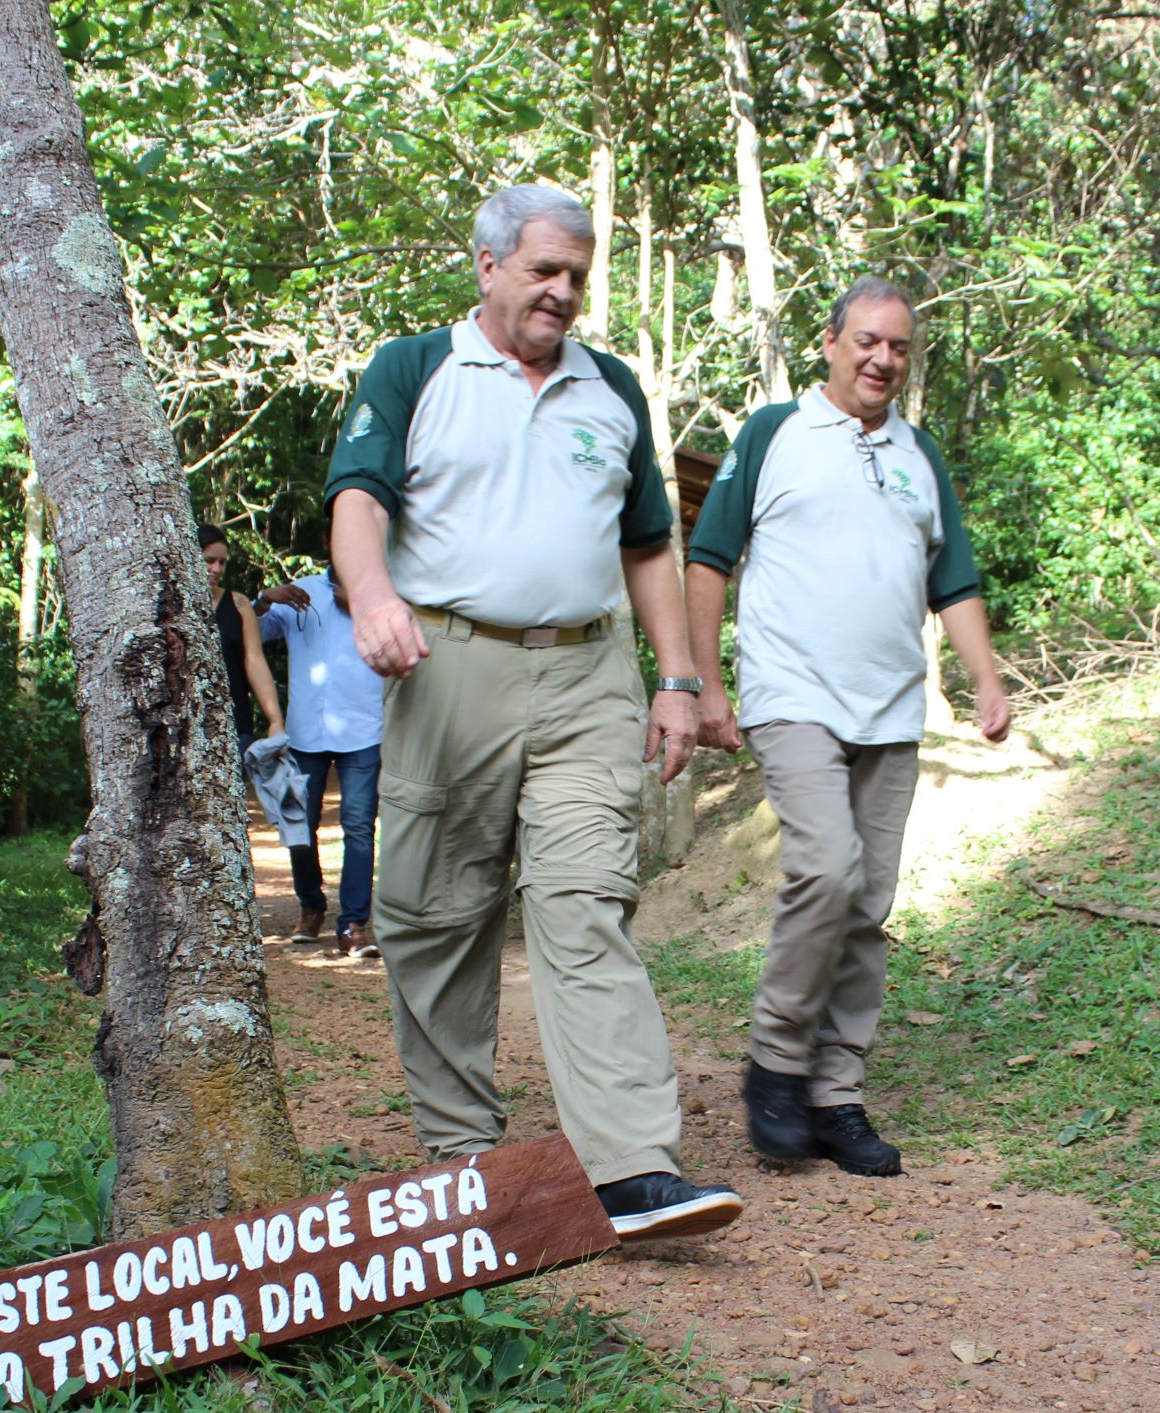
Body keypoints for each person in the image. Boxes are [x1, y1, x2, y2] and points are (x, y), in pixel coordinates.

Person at [324, 183, 743, 1241]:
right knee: (436, 914)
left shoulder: (611, 389)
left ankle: (631, 1167)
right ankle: (462, 1163)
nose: (561, 294)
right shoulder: (414, 368)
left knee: (584, 902)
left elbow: (648, 543)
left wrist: (679, 679)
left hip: (587, 676)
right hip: (447, 666)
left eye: (576, 277)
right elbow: (358, 499)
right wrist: (371, 597)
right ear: (487, 265)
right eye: (543, 271)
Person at [685, 276, 1012, 1178]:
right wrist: (704, 683)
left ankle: (835, 1092)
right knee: (825, 870)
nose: (882, 359)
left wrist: (984, 680)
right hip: (792, 693)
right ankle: (776, 1066)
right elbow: (708, 561)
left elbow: (953, 580)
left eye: (899, 347)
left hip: (891, 702)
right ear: (828, 343)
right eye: (866, 341)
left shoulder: (918, 454)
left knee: (868, 902)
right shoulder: (772, 433)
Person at [256, 545, 385, 959]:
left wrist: (366, 603)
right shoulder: (300, 593)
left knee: (359, 828)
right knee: (299, 824)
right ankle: (311, 906)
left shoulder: (386, 592)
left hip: (364, 728)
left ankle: (352, 924)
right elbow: (251, 635)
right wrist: (264, 599)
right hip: (306, 731)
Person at [200, 523, 284, 753]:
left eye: (222, 562)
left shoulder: (239, 604)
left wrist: (275, 720)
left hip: (235, 724)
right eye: (209, 560)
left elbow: (255, 661)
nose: (216, 569)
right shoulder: (171, 604)